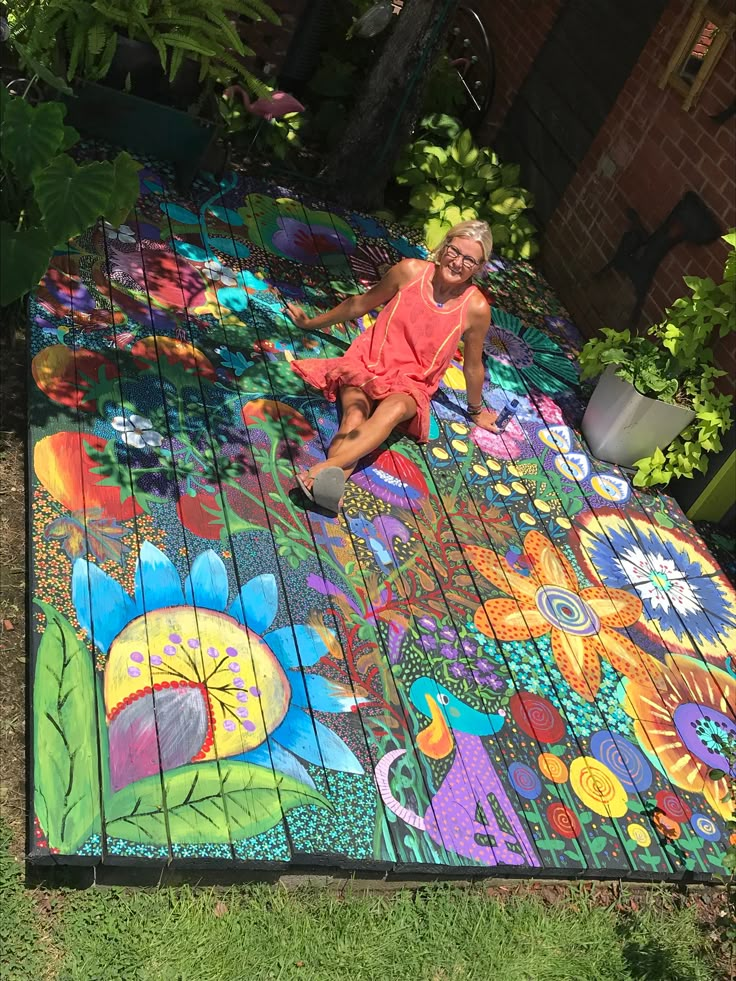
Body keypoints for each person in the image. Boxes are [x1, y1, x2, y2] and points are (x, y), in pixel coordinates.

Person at [285, 219, 499, 513]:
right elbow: (359, 305)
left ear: (478, 267)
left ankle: (322, 469)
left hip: (412, 383)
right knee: (353, 417)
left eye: (469, 259)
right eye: (453, 251)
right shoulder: (410, 271)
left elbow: (473, 366)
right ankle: (329, 489)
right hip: (368, 361)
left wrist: (476, 411)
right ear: (443, 247)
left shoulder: (475, 308)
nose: (457, 262)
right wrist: (309, 323)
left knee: (393, 411)